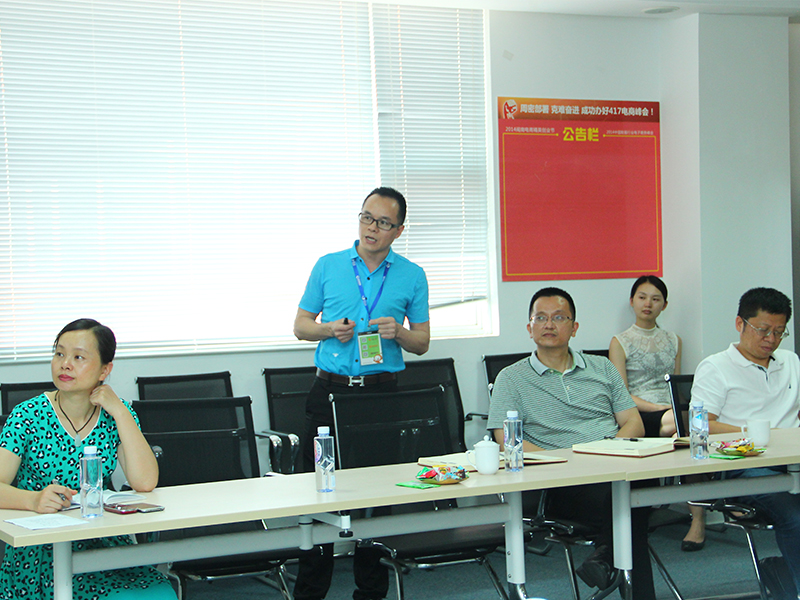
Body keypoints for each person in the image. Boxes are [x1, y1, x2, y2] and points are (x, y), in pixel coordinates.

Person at [292, 186, 430, 600]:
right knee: (318, 493)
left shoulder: (412, 275)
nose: (372, 228)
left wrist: (399, 333)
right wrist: (328, 329)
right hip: (329, 393)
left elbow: (422, 342)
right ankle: (310, 592)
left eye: (383, 222)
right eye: (367, 217)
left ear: (399, 230)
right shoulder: (329, 265)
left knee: (377, 495)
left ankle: (371, 592)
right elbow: (300, 326)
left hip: (380, 398)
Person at [487, 287, 656, 600]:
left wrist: (605, 453)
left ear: (574, 327)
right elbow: (507, 442)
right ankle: (609, 558)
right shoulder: (510, 378)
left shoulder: (602, 367)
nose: (549, 324)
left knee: (639, 484)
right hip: (559, 483)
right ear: (529, 328)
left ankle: (605, 556)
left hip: (611, 467)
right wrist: (571, 463)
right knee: (628, 504)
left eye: (559, 317)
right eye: (541, 318)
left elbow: (634, 423)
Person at [0, 319, 176, 600]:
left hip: (102, 544)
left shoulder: (116, 414)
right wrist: (32, 500)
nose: (65, 364)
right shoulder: (27, 415)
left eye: (78, 357)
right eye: (59, 354)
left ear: (105, 370)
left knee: (158, 593)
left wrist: (120, 411)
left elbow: (144, 482)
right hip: (43, 551)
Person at [692, 287, 800, 593]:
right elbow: (700, 425)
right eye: (763, 330)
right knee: (795, 517)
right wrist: (751, 434)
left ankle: (783, 574)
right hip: (744, 465)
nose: (771, 339)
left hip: (793, 460)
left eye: (779, 332)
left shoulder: (790, 361)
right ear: (740, 323)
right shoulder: (715, 367)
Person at [608, 276, 705, 552]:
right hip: (640, 413)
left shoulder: (674, 340)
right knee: (689, 430)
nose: (648, 304)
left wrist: (676, 408)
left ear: (664, 305)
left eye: (655, 299)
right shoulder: (620, 341)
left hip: (671, 414)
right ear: (632, 301)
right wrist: (660, 408)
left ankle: (698, 520)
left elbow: (675, 384)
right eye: (642, 297)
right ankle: (702, 510)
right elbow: (621, 394)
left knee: (689, 430)